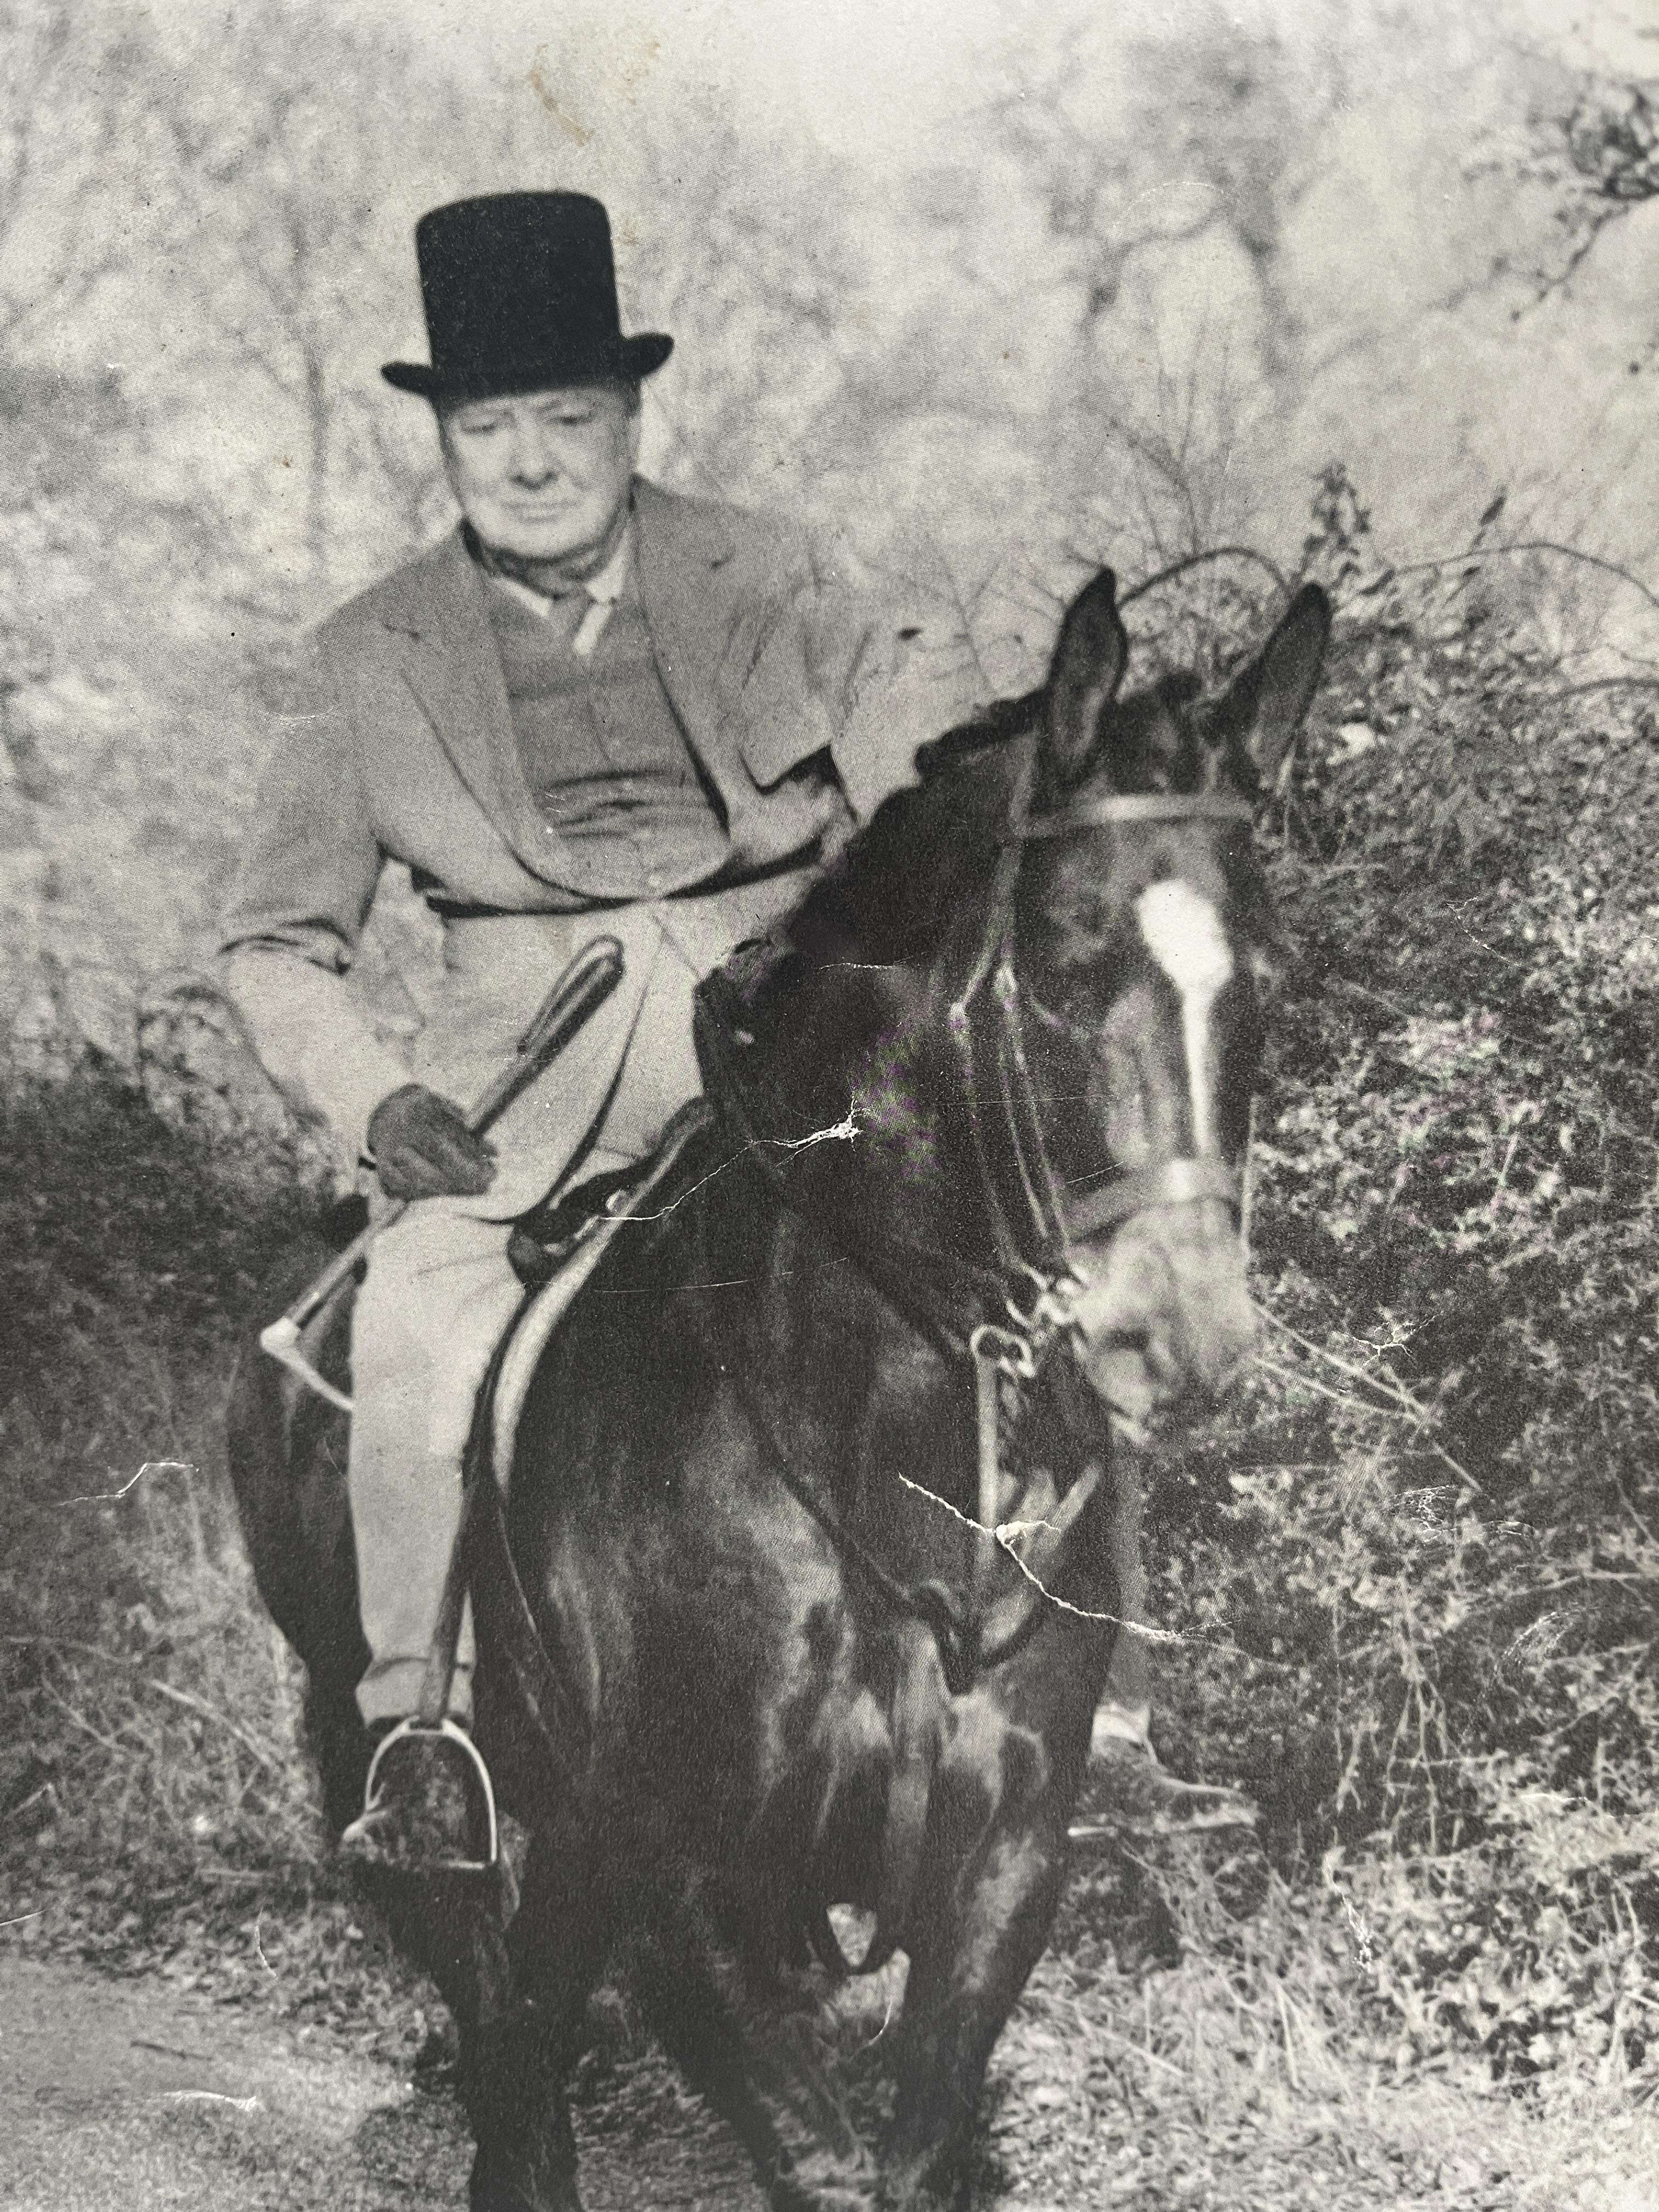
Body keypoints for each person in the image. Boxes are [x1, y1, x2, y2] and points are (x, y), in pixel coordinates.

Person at [221, 190, 1243, 1867]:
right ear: (445, 438)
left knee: (1014, 1257)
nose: (533, 460)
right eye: (492, 427)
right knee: (417, 1312)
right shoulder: (363, 659)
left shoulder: (777, 576)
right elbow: (273, 942)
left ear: (630, 416)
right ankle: (424, 1739)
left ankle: (1083, 1691)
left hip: (795, 1039)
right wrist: (378, 1092)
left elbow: (945, 790)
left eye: (567, 418)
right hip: (519, 1083)